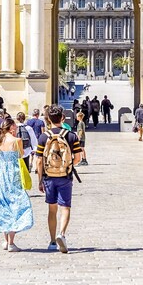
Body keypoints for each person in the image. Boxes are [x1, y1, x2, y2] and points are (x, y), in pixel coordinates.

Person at [36, 104, 83, 254]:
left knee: (52, 209)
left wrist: (40, 180)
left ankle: (51, 241)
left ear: (48, 119)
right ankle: (61, 234)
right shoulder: (71, 136)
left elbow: (39, 161)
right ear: (63, 118)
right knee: (65, 207)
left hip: (49, 177)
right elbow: (78, 158)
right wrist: (67, 165)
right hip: (65, 176)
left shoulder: (43, 137)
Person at [0, 117, 34, 252]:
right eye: (14, 125)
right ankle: (11, 243)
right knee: (16, 205)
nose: (16, 127)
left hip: (1, 173)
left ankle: (6, 241)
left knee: (3, 205)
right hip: (13, 174)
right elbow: (21, 155)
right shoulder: (17, 140)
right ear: (11, 127)